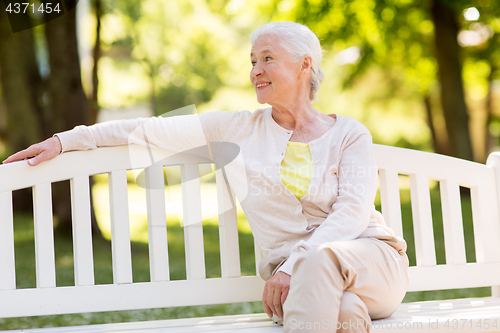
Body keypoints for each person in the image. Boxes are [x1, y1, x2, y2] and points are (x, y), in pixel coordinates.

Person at [3, 21, 409, 332]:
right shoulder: (238, 128)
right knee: (344, 312)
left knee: (320, 261)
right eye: (252, 61)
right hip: (304, 287)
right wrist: (66, 141)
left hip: (369, 262)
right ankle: (342, 305)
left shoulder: (350, 134)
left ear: (305, 65)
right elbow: (149, 130)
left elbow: (353, 214)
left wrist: (296, 264)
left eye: (267, 58)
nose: (255, 70)